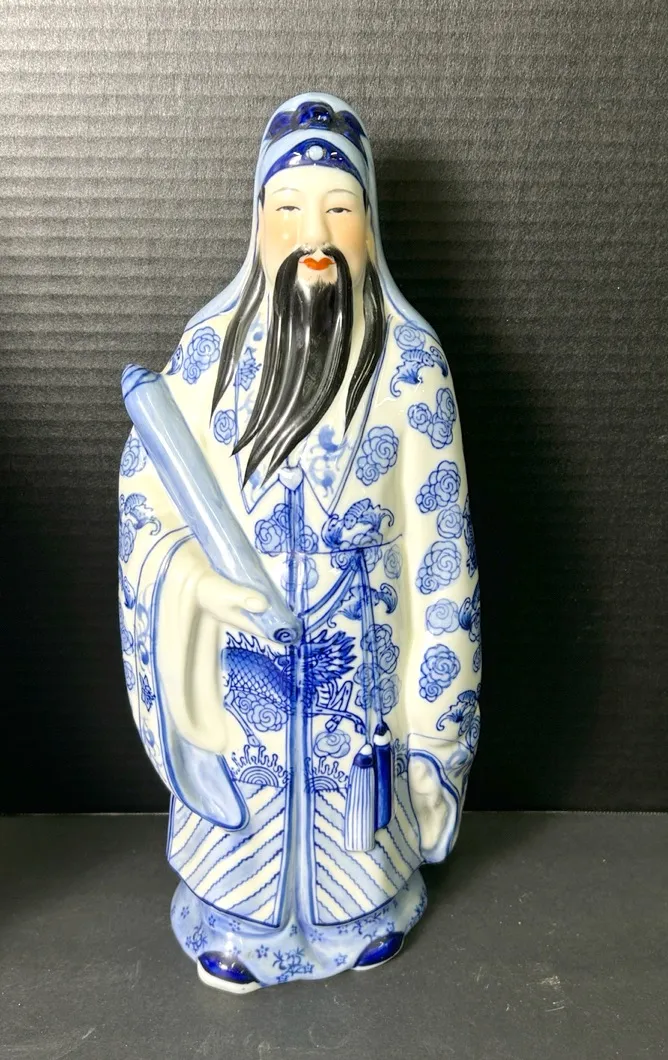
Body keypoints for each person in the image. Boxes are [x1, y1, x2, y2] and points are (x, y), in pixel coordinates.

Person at [118, 92, 481, 991]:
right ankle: (234, 916)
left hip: (363, 702)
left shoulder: (412, 366)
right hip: (239, 691)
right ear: (258, 220)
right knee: (244, 810)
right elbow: (147, 500)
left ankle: (364, 908)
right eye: (289, 208)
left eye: (339, 207)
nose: (314, 234)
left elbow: (444, 565)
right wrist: (195, 584)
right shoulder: (206, 353)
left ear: (369, 223)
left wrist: (438, 740)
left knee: (364, 821)